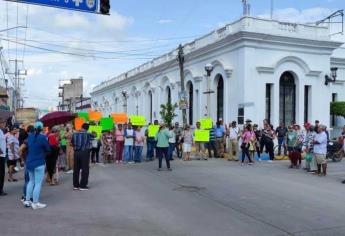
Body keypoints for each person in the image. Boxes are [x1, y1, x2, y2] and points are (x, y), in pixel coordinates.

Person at [23, 122, 51, 209]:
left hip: (29, 162)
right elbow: (48, 149)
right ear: (42, 128)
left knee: (31, 181)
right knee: (38, 183)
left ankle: (27, 201)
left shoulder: (29, 137)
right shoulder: (43, 137)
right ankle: (35, 202)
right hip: (39, 162)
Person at [72, 123, 92, 191]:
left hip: (76, 152)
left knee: (76, 169)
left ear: (81, 127)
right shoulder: (88, 134)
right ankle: (83, 185)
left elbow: (72, 143)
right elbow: (95, 136)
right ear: (87, 128)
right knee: (85, 169)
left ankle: (75, 185)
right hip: (84, 152)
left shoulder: (74, 134)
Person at [20, 125, 34, 202]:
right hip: (30, 162)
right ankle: (26, 196)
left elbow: (20, 150)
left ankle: (25, 195)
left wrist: (22, 160)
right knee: (30, 180)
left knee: (28, 180)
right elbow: (20, 150)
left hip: (27, 161)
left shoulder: (27, 140)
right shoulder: (28, 140)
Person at [0, 118, 7, 196]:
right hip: (0, 155)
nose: (4, 124)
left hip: (2, 155)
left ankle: (1, 189)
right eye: (3, 123)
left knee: (2, 173)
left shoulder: (1, 131)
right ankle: (0, 190)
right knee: (1, 174)